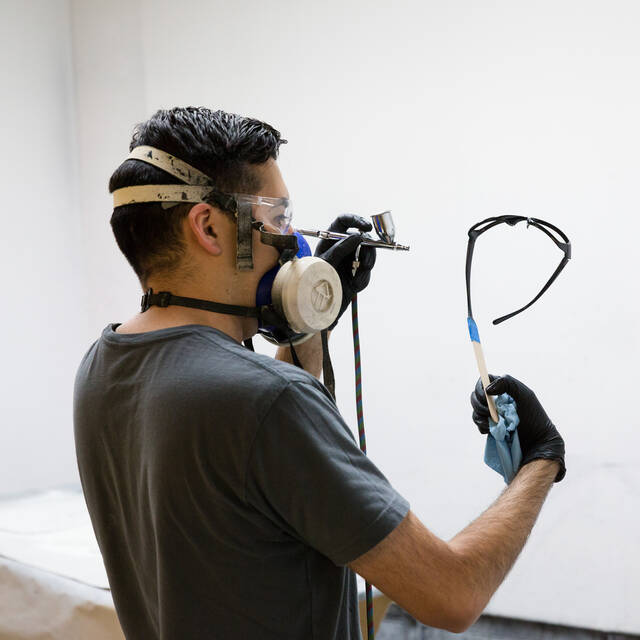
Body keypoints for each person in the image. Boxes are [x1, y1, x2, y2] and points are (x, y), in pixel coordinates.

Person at [73, 107, 566, 640]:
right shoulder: (266, 402)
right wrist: (540, 460)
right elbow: (452, 593)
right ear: (210, 226)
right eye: (278, 218)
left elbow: (259, 478)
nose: (290, 242)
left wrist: (307, 322)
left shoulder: (101, 367)